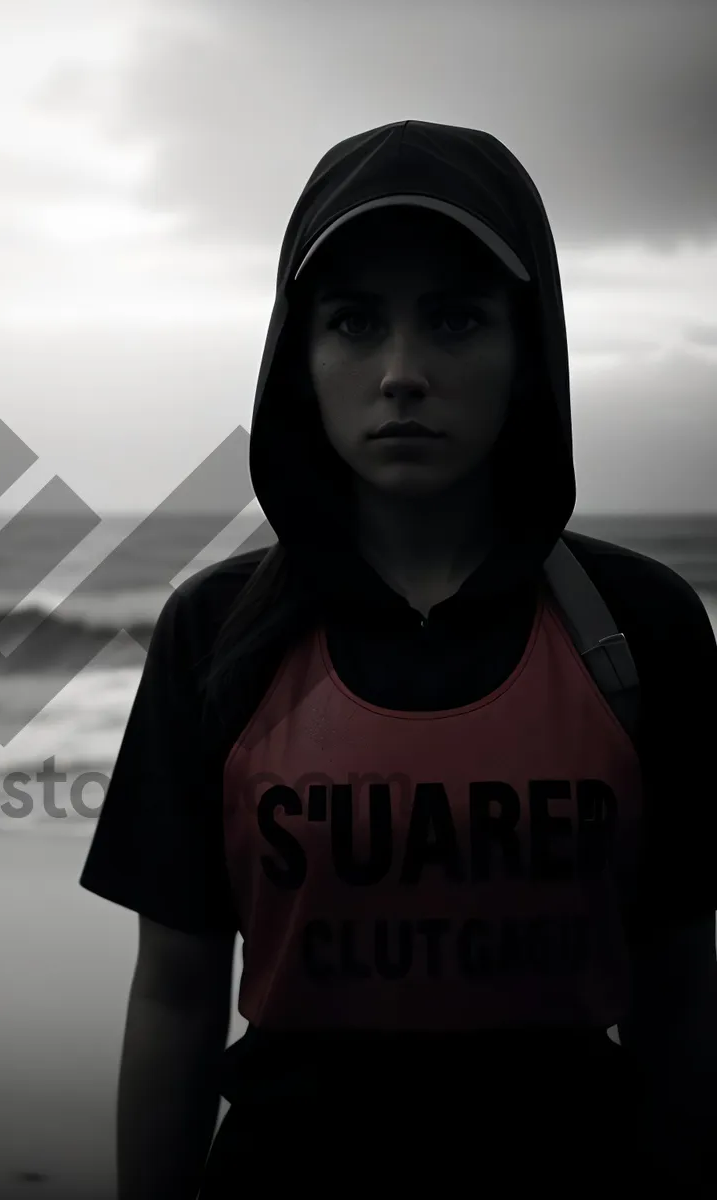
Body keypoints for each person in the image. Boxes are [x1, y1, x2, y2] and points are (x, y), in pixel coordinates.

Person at [79, 120, 717, 1197]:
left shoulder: (639, 627)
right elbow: (176, 997)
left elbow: (681, 994)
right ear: (300, 358)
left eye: (457, 320)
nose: (402, 374)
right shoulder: (217, 632)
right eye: (355, 322)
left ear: (530, 354)